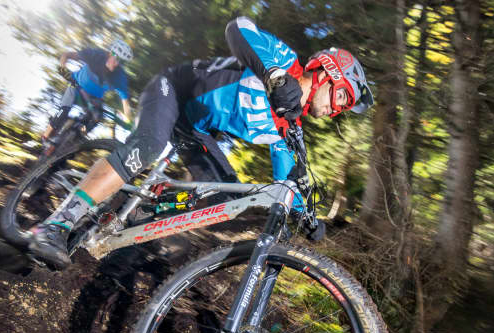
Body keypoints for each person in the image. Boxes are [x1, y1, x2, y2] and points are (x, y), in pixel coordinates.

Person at [29, 17, 374, 269]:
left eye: (342, 109)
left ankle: (135, 210)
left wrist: (307, 217)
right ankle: (56, 224)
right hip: (173, 91)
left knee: (227, 198)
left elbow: (287, 183)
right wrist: (274, 75)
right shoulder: (285, 61)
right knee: (148, 145)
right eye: (341, 97)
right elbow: (238, 29)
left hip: (195, 129)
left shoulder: (289, 123)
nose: (335, 110)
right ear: (327, 72)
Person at [41, 38, 133, 142]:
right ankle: (45, 137)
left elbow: (125, 103)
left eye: (121, 62)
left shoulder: (120, 77)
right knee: (63, 111)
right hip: (76, 86)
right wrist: (62, 69)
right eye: (116, 59)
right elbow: (66, 55)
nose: (117, 64)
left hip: (93, 99)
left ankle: (75, 139)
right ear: (110, 53)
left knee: (97, 118)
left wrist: (129, 122)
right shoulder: (95, 55)